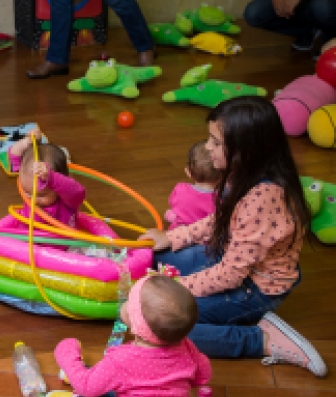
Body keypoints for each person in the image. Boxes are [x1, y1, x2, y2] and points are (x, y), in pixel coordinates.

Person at [140, 97, 327, 377]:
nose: (207, 148)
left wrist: (177, 287)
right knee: (152, 257)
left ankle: (261, 340)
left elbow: (230, 275)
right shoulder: (240, 173)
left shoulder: (263, 198)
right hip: (230, 258)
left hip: (254, 289)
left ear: (245, 150)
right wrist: (174, 237)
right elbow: (221, 219)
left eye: (216, 142)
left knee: (161, 322)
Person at [46, 276, 212, 397]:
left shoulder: (123, 359)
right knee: (116, 380)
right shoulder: (186, 345)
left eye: (129, 302)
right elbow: (203, 375)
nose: (125, 303)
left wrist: (66, 352)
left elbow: (87, 387)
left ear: (136, 325)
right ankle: (82, 375)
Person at [0, 130, 85, 232]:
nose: (32, 198)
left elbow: (78, 193)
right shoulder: (29, 175)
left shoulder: (67, 198)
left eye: (40, 195)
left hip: (59, 245)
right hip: (27, 237)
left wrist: (52, 178)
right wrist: (27, 141)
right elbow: (14, 154)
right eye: (27, 192)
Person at [164, 140, 221, 230]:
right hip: (203, 236)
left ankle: (177, 217)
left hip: (176, 232)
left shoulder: (180, 188)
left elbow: (172, 203)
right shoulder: (220, 199)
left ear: (188, 172)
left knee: (177, 212)